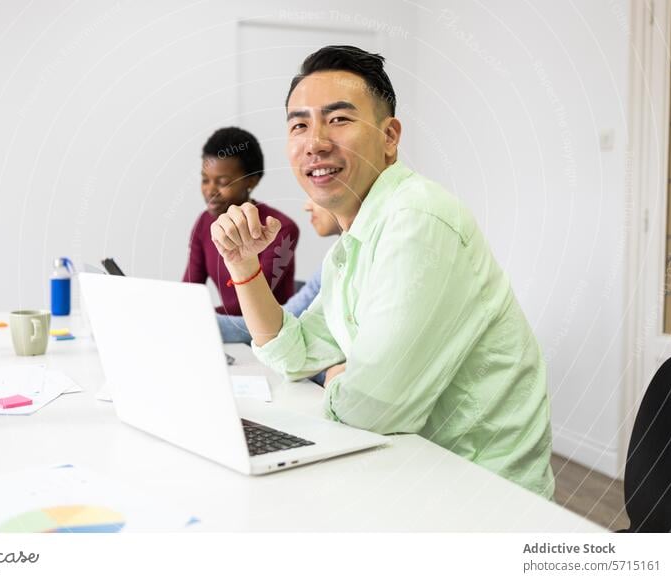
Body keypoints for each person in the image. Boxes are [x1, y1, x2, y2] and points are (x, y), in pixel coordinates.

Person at [208, 46, 555, 499]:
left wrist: (339, 381)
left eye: (338, 119)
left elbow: (372, 410)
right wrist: (243, 265)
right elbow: (297, 354)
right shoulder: (353, 244)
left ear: (390, 136)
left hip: (480, 496)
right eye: (299, 125)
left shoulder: (418, 219)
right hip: (411, 471)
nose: (315, 141)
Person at [183, 127, 299, 316]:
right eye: (205, 180)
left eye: (222, 182)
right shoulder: (204, 223)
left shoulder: (280, 227)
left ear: (251, 181)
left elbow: (255, 299)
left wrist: (199, 317)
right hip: (230, 329)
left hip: (272, 330)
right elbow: (189, 290)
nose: (210, 190)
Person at [217, 198, 341, 345]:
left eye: (315, 196)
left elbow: (283, 327)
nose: (307, 206)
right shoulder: (333, 259)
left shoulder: (283, 228)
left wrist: (200, 321)